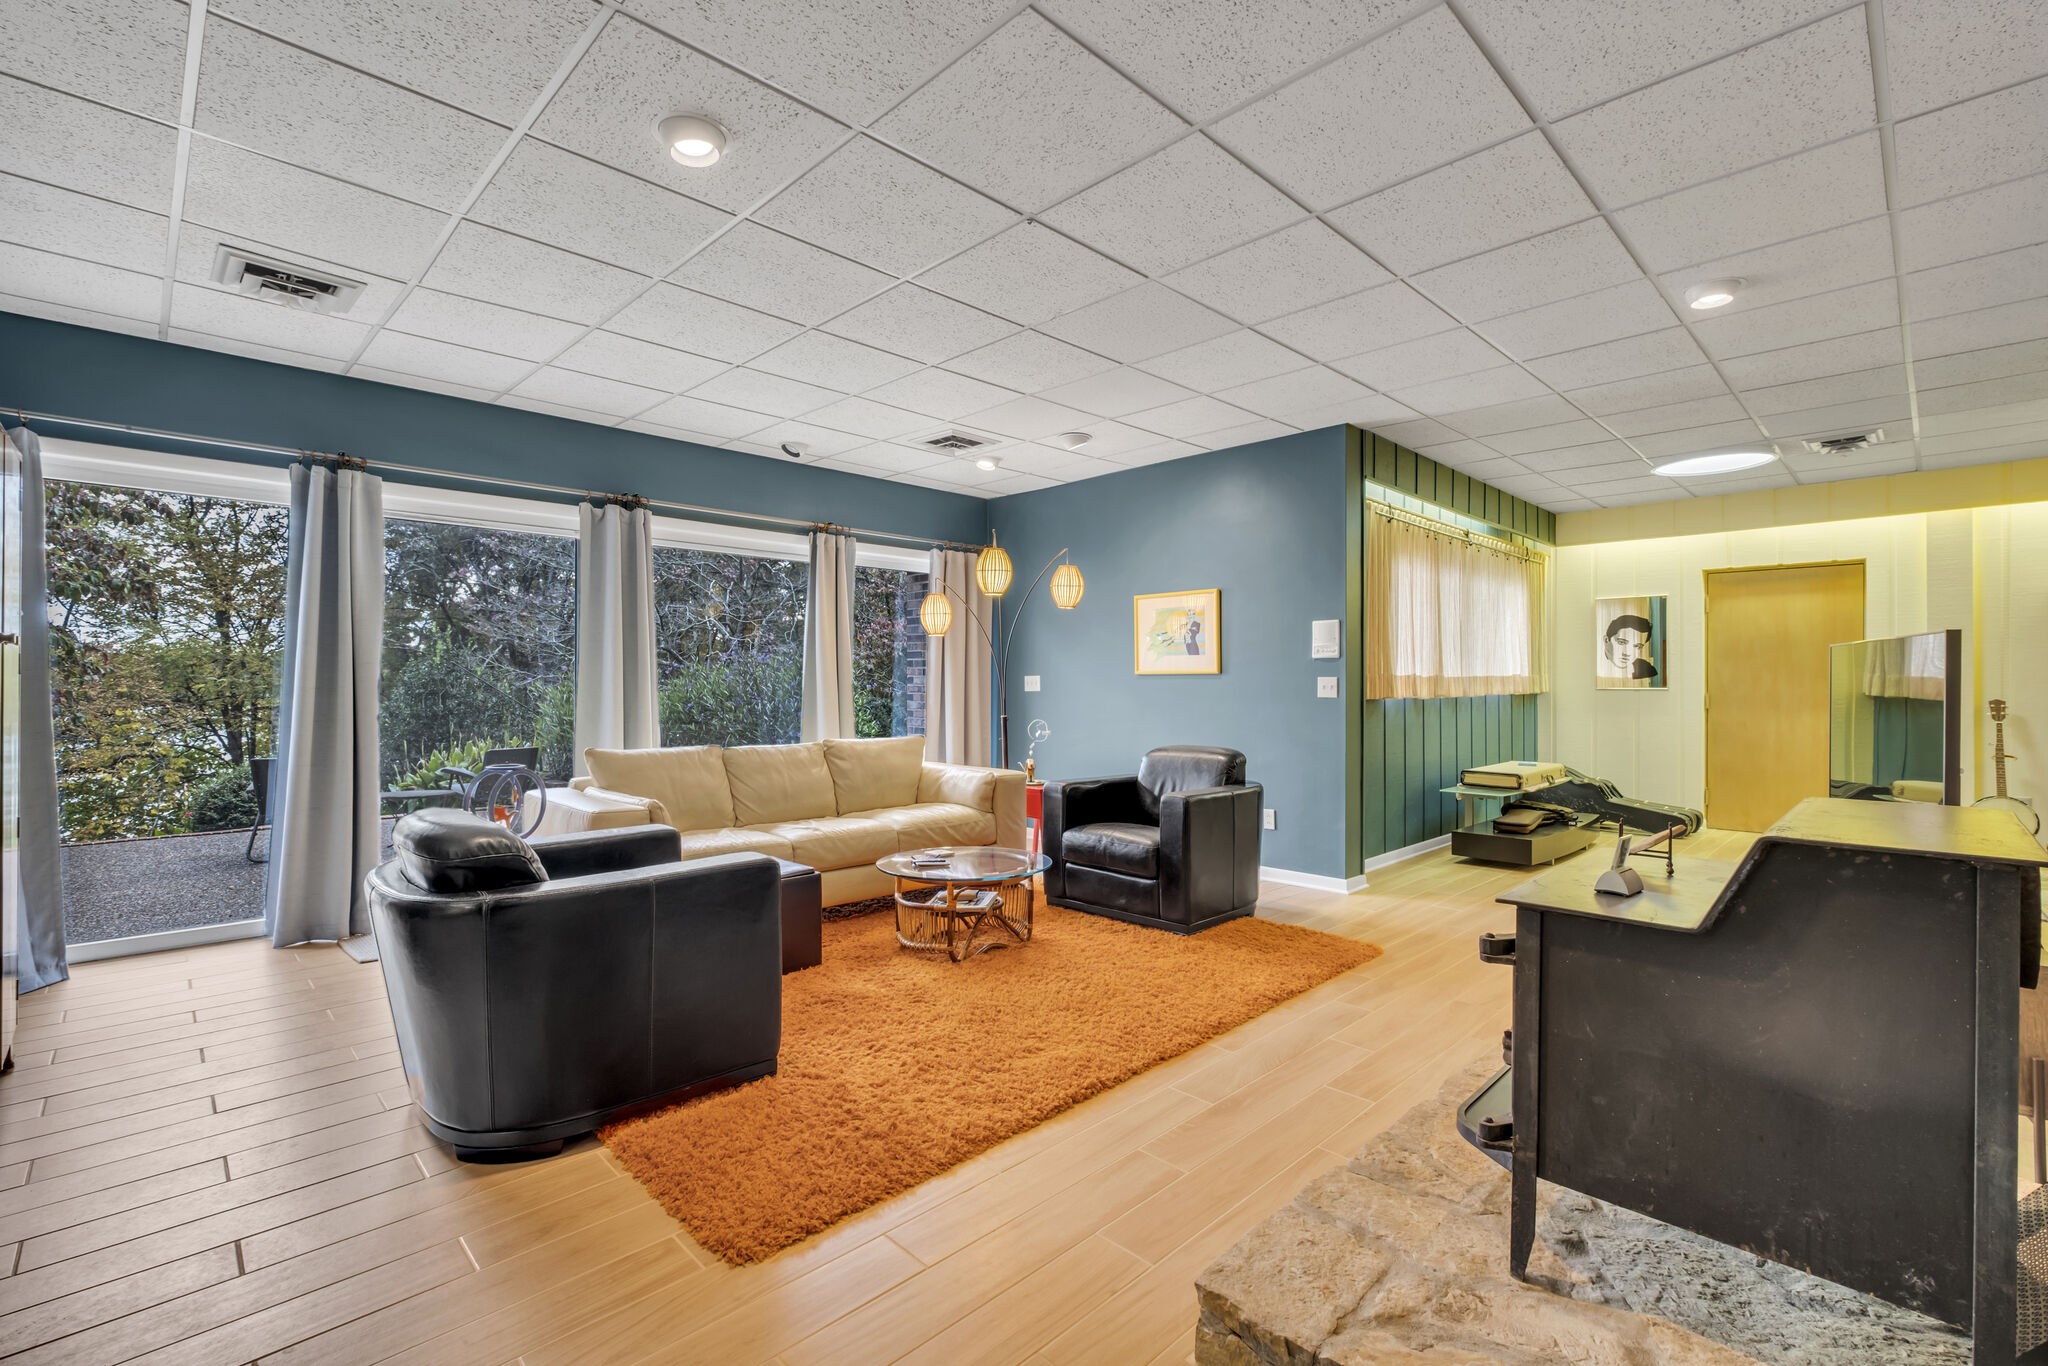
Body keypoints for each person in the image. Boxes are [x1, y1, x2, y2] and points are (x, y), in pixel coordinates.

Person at [1603, 613, 1658, 680]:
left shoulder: (1647, 670)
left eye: (1637, 646)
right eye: (1622, 642)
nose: (1627, 653)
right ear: (1606, 640)